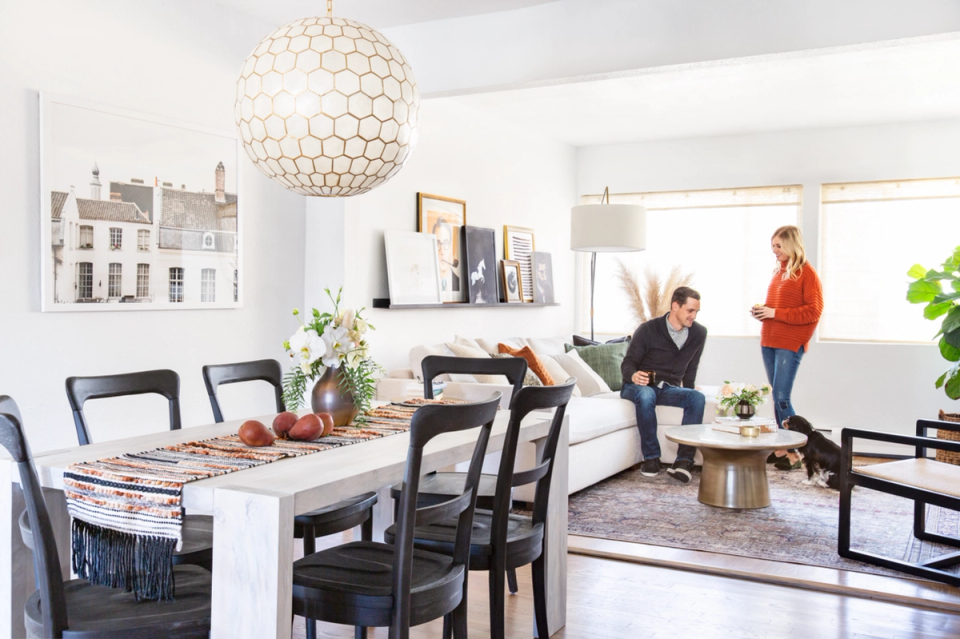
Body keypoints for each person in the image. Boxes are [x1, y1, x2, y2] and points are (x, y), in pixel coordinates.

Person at [751, 225, 824, 471]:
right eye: (772, 246)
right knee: (777, 396)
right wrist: (764, 313)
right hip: (769, 341)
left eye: (779, 246)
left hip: (788, 343)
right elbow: (778, 310)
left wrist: (775, 312)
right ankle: (784, 448)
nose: (774, 251)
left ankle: (798, 452)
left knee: (782, 398)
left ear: (792, 245)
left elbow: (813, 312)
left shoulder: (807, 273)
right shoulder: (778, 273)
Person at [620, 286, 707, 483]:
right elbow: (628, 363)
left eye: (696, 311)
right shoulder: (648, 329)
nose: (693, 316)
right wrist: (633, 376)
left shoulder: (699, 333)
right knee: (646, 394)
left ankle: (684, 461)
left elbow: (692, 367)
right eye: (690, 310)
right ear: (675, 306)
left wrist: (690, 389)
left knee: (696, 397)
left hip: (667, 388)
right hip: (637, 385)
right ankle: (651, 458)